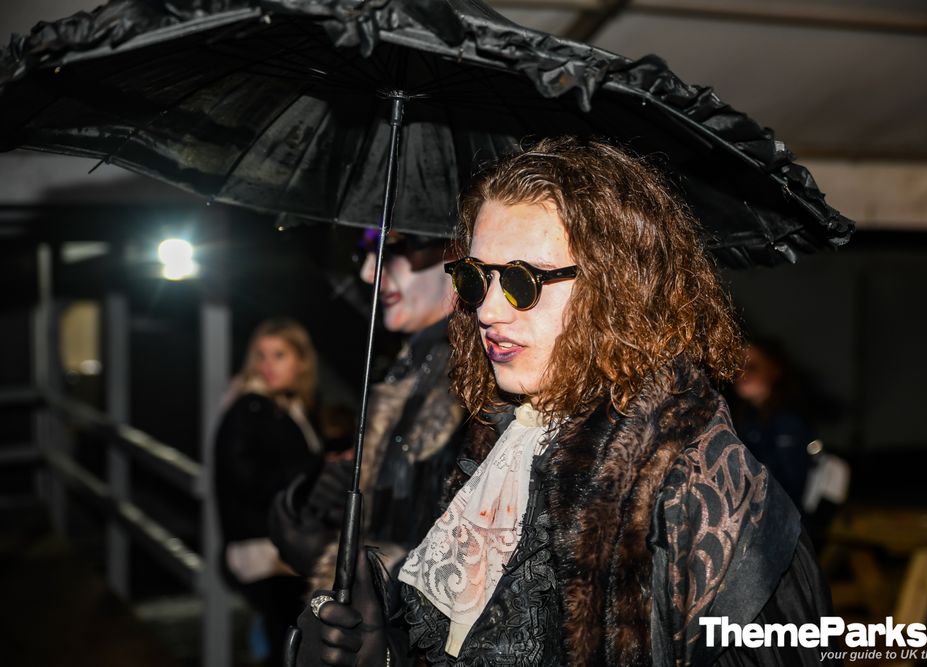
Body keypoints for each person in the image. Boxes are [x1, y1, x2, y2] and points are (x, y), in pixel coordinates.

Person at [295, 137, 836, 666]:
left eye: (522, 280)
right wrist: (384, 651)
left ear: (618, 287)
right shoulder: (494, 443)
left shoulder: (700, 486)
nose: (488, 311)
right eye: (475, 278)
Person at [268, 229, 465, 585]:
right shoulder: (413, 367)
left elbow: (457, 565)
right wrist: (348, 499)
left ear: (457, 249)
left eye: (392, 249)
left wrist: (335, 561)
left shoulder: (476, 381)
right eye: (365, 253)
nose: (368, 273)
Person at [214, 317, 325, 667]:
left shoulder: (289, 406)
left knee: (287, 640)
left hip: (278, 545)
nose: (267, 365)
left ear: (302, 361)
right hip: (263, 550)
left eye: (279, 355)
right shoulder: (251, 407)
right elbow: (248, 479)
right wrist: (316, 467)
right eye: (261, 355)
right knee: (290, 645)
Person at [730, 340, 817, 509]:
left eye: (752, 367)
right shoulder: (746, 417)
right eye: (736, 366)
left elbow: (789, 488)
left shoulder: (788, 422)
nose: (742, 373)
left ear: (775, 370)